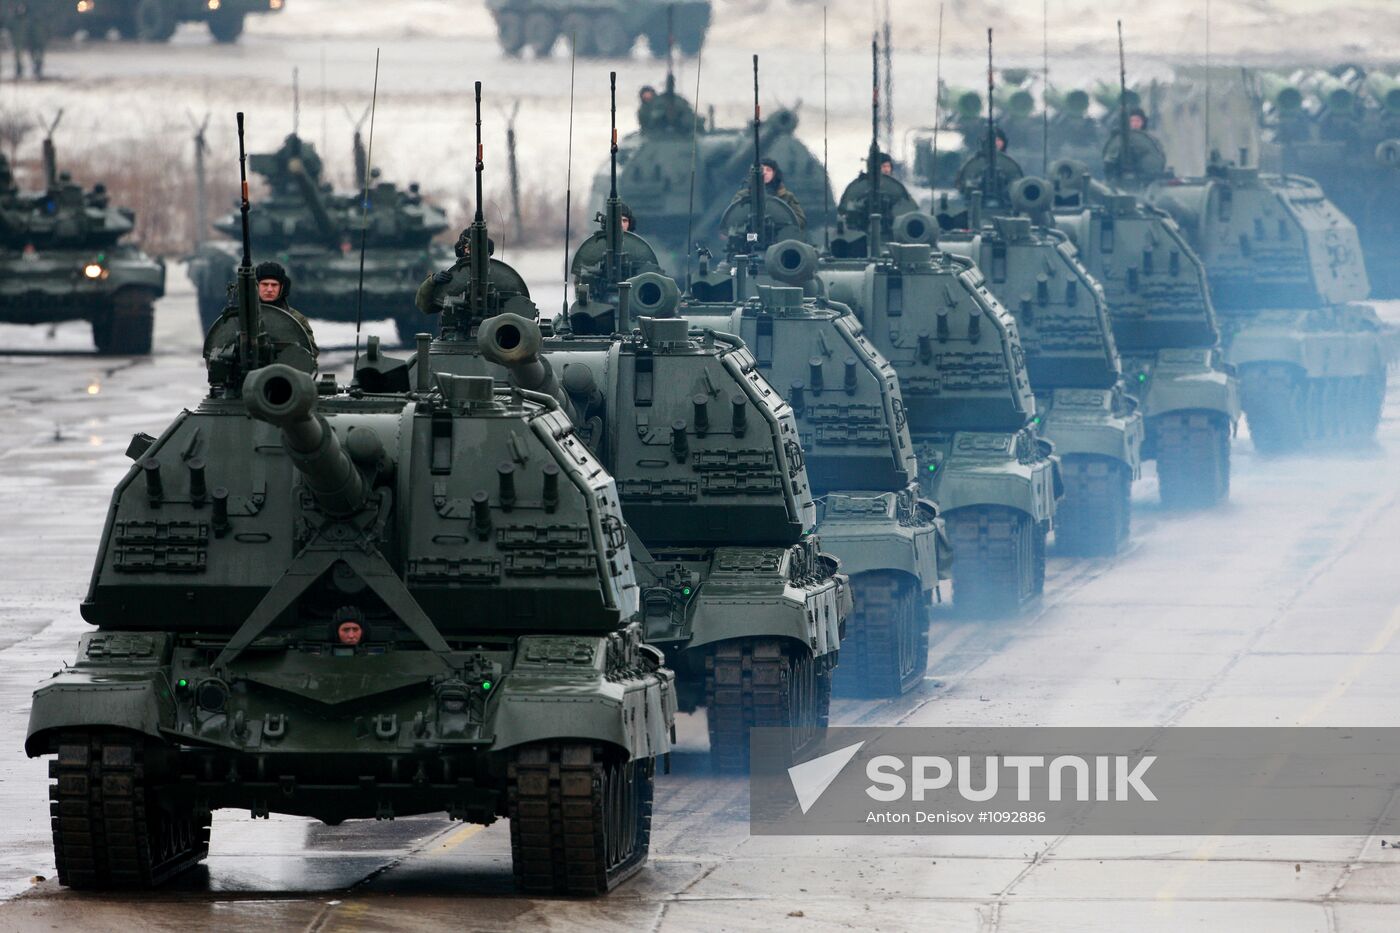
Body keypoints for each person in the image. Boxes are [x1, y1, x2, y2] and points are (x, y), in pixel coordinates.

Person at [414, 228, 496, 314]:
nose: (470, 252)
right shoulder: (455, 277)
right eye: (467, 248)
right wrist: (432, 281)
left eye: (475, 248)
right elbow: (424, 305)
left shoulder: (496, 274)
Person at [255, 260, 319, 358]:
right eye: (265, 284)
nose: (269, 289)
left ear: (281, 288)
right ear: (256, 286)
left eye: (274, 285)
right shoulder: (240, 317)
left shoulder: (296, 319)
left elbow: (311, 352)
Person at [730, 157, 806, 230]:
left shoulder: (787, 197)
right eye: (761, 170)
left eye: (768, 170)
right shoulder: (742, 196)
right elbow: (732, 219)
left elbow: (800, 221)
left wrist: (782, 220)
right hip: (750, 236)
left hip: (779, 237)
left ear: (774, 173)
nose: (765, 172)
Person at [4, 1, 48, 80]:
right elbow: (9, 29)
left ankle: (37, 71)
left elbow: (32, 31)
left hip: (30, 41)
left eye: (22, 8)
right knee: (18, 58)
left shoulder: (28, 20)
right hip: (18, 42)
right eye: (19, 8)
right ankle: (19, 72)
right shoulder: (14, 20)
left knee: (35, 57)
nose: (21, 10)